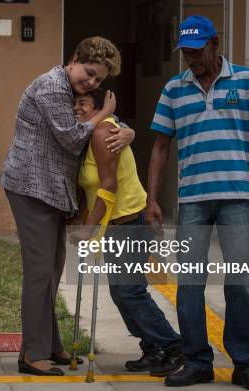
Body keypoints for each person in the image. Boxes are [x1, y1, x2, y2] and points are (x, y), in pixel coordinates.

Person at [146, 15, 249, 390]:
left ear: (215, 43)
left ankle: (244, 364)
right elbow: (160, 147)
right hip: (192, 200)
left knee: (241, 283)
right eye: (186, 52)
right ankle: (196, 362)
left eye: (196, 51)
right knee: (189, 284)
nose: (191, 58)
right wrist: (152, 199)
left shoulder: (246, 81)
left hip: (237, 198)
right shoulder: (174, 89)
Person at [1, 36, 135, 376]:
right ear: (74, 58)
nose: (90, 83)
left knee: (52, 270)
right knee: (39, 273)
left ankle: (50, 344)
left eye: (98, 81)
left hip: (52, 191)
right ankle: (32, 354)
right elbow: (71, 136)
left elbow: (96, 130)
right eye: (88, 73)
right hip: (31, 187)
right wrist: (106, 112)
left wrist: (127, 130)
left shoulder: (68, 90)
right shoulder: (50, 86)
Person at [73, 89, 183, 377]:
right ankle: (152, 347)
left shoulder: (103, 132)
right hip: (116, 224)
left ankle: (172, 345)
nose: (76, 108)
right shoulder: (92, 132)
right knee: (122, 293)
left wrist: (88, 228)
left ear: (99, 107)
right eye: (74, 103)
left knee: (130, 291)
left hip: (130, 222)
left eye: (82, 103)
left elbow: (109, 185)